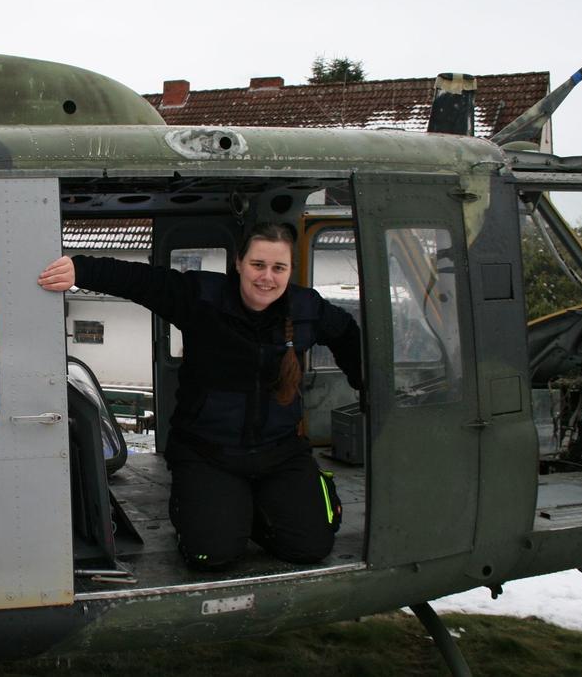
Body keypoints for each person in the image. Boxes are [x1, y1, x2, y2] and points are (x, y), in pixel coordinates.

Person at [38, 222, 362, 570]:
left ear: (289, 271)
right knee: (211, 555)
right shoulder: (203, 297)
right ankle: (210, 514)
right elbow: (142, 281)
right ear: (239, 263)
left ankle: (252, 511)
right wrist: (80, 269)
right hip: (209, 452)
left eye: (278, 268)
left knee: (310, 547)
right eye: (258, 264)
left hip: (280, 451)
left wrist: (365, 383)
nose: (267, 277)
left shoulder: (306, 309)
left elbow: (347, 334)